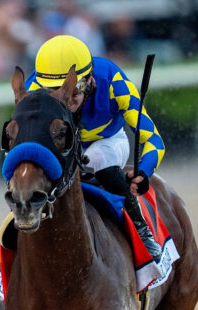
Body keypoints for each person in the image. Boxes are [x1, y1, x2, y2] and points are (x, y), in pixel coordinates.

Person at [25, 35, 164, 262]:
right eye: (55, 92)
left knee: (94, 158)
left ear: (89, 80)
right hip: (63, 146)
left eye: (73, 90)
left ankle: (141, 227)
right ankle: (11, 234)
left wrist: (143, 172)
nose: (65, 99)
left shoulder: (113, 81)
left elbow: (154, 140)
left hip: (108, 142)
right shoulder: (32, 89)